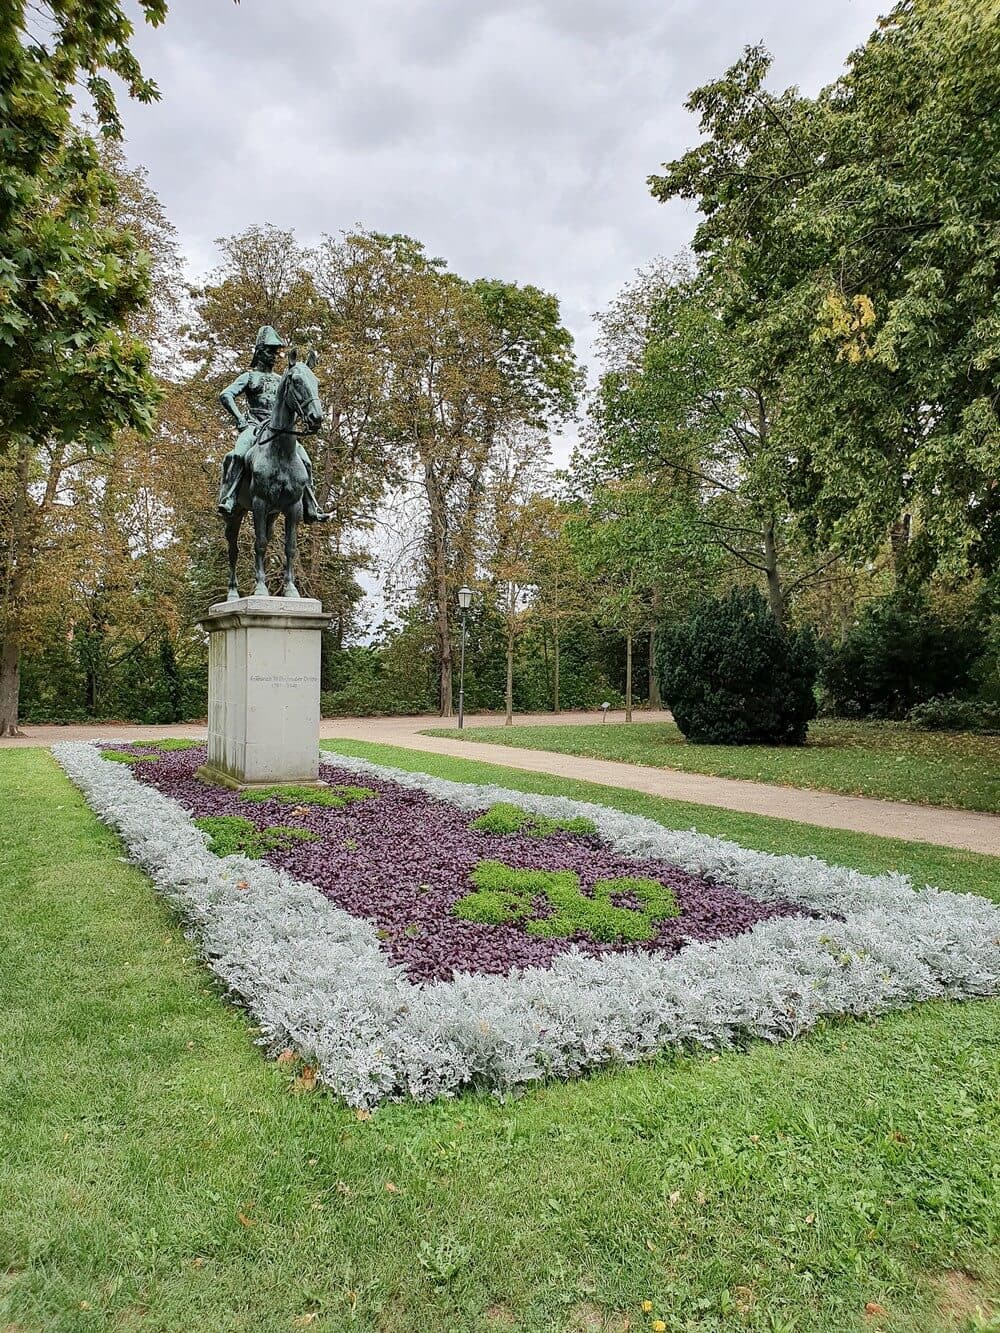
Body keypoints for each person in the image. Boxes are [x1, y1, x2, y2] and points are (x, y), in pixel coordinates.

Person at [216, 325, 330, 521]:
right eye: (270, 351)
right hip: (253, 426)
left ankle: (312, 506)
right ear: (260, 352)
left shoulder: (281, 379)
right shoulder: (249, 376)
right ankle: (230, 497)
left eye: (276, 352)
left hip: (277, 429)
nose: (274, 356)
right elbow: (226, 395)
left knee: (306, 461)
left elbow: (292, 402)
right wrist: (240, 419)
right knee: (237, 454)